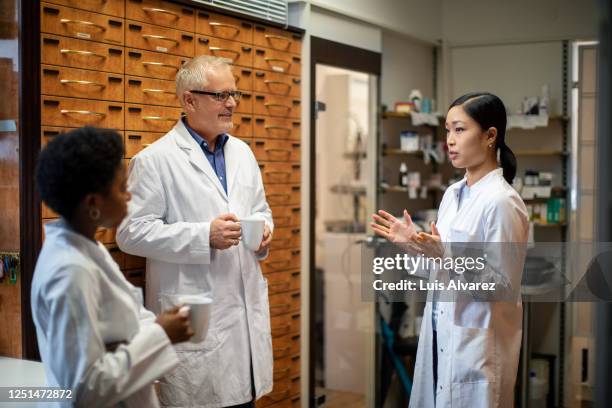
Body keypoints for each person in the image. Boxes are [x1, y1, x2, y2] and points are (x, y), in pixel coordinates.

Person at [116, 55, 274, 407]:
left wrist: (265, 232)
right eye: (221, 95)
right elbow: (130, 233)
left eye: (234, 94)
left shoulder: (243, 154)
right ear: (189, 100)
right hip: (197, 325)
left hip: (242, 323)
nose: (232, 103)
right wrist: (204, 236)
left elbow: (261, 210)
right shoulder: (156, 160)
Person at [371, 92, 529, 407]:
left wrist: (445, 253)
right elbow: (440, 270)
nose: (450, 141)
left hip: (478, 349)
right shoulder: (453, 195)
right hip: (441, 337)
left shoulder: (502, 202)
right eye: (447, 130)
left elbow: (500, 285)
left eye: (460, 129)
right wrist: (413, 245)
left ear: (490, 135)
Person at [32, 127, 194, 407]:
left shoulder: (85, 248)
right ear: (94, 203)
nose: (129, 197)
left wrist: (154, 325)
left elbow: (116, 325)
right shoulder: (70, 271)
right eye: (122, 188)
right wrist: (161, 334)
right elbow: (83, 391)